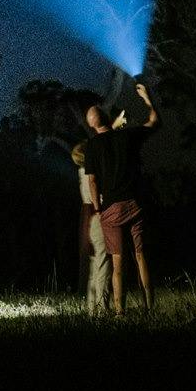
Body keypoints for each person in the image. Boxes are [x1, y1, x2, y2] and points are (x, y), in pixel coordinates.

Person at [84, 82, 160, 313]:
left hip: (111, 209)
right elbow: (154, 121)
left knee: (117, 262)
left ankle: (120, 312)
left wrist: (98, 207)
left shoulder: (92, 146)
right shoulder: (127, 136)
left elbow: (93, 181)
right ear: (108, 118)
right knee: (141, 255)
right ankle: (149, 308)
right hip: (135, 204)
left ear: (91, 125)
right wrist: (148, 98)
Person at [72, 137, 112, 316]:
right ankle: (101, 307)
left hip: (89, 218)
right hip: (98, 214)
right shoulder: (92, 174)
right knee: (103, 263)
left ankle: (91, 307)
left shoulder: (81, 172)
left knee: (95, 263)